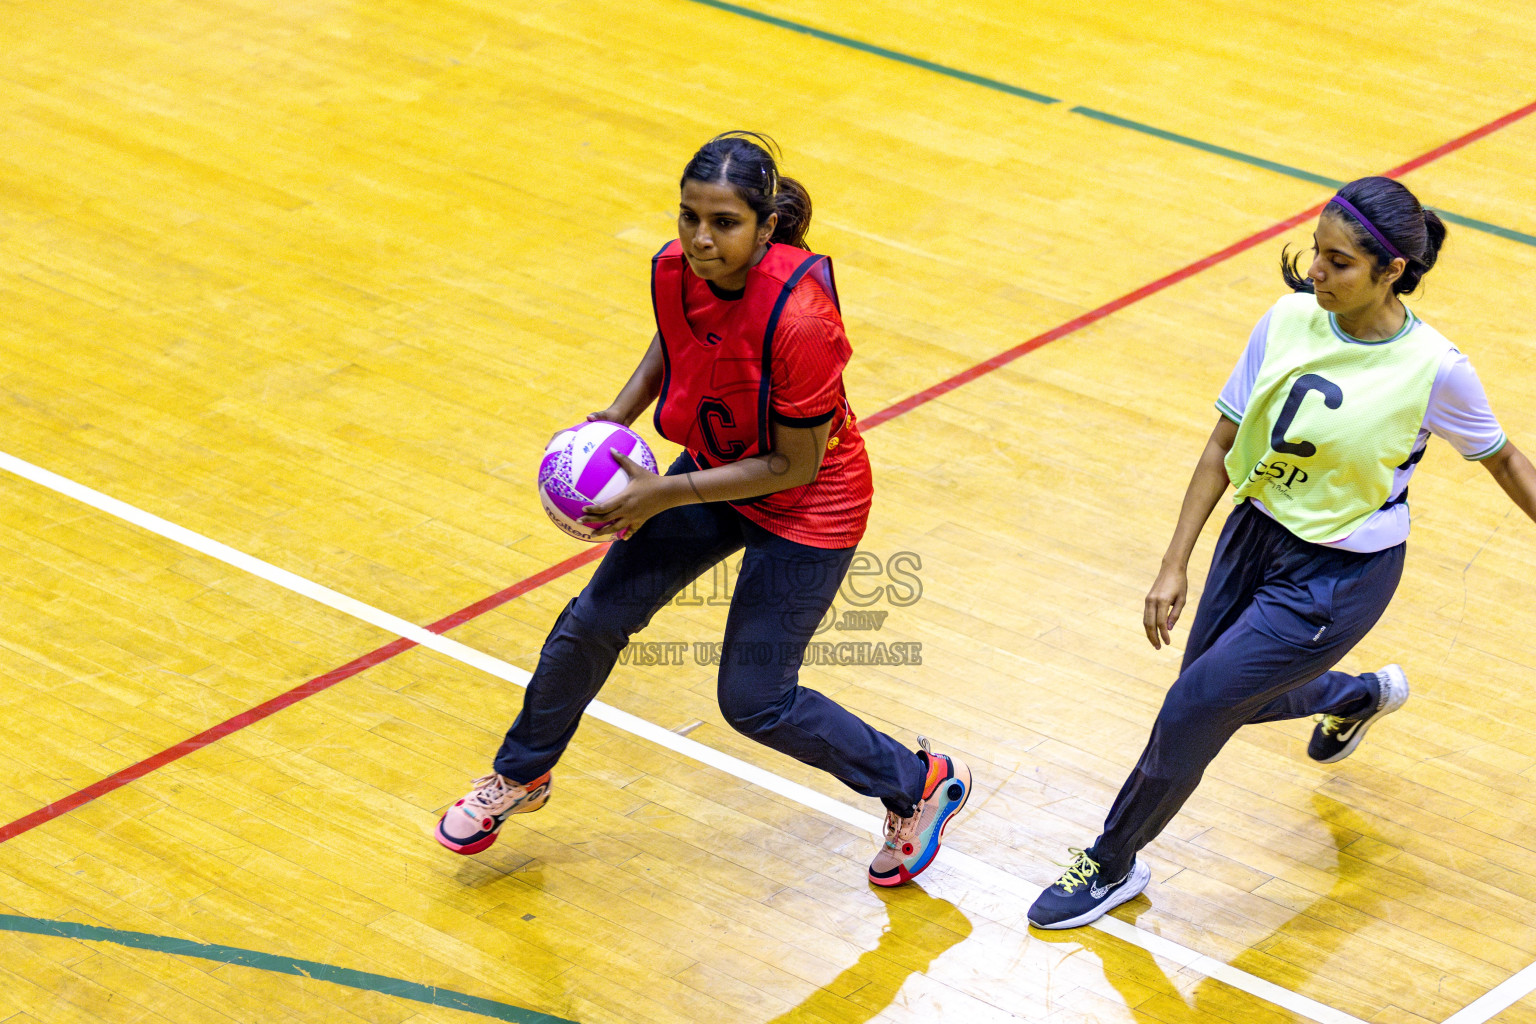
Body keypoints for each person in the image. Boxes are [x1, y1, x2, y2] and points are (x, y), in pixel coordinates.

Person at [436, 132, 970, 887]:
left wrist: (662, 493)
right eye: (690, 216)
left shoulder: (803, 321)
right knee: (592, 619)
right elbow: (676, 335)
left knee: (755, 702)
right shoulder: (676, 268)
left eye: (723, 223)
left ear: (766, 228)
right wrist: (616, 417)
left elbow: (795, 462)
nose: (699, 238)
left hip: (810, 503)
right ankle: (522, 775)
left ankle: (919, 782)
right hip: (720, 466)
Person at [1028, 176, 1536, 929]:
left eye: (1338, 263)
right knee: (1215, 696)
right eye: (1317, 253)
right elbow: (1223, 441)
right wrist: (1176, 561)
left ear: (1391, 270)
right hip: (1253, 537)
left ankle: (1111, 861)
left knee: (1193, 708)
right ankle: (1351, 695)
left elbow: (1504, 461)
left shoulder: (1436, 368)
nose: (1317, 273)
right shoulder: (1287, 319)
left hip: (1339, 574)